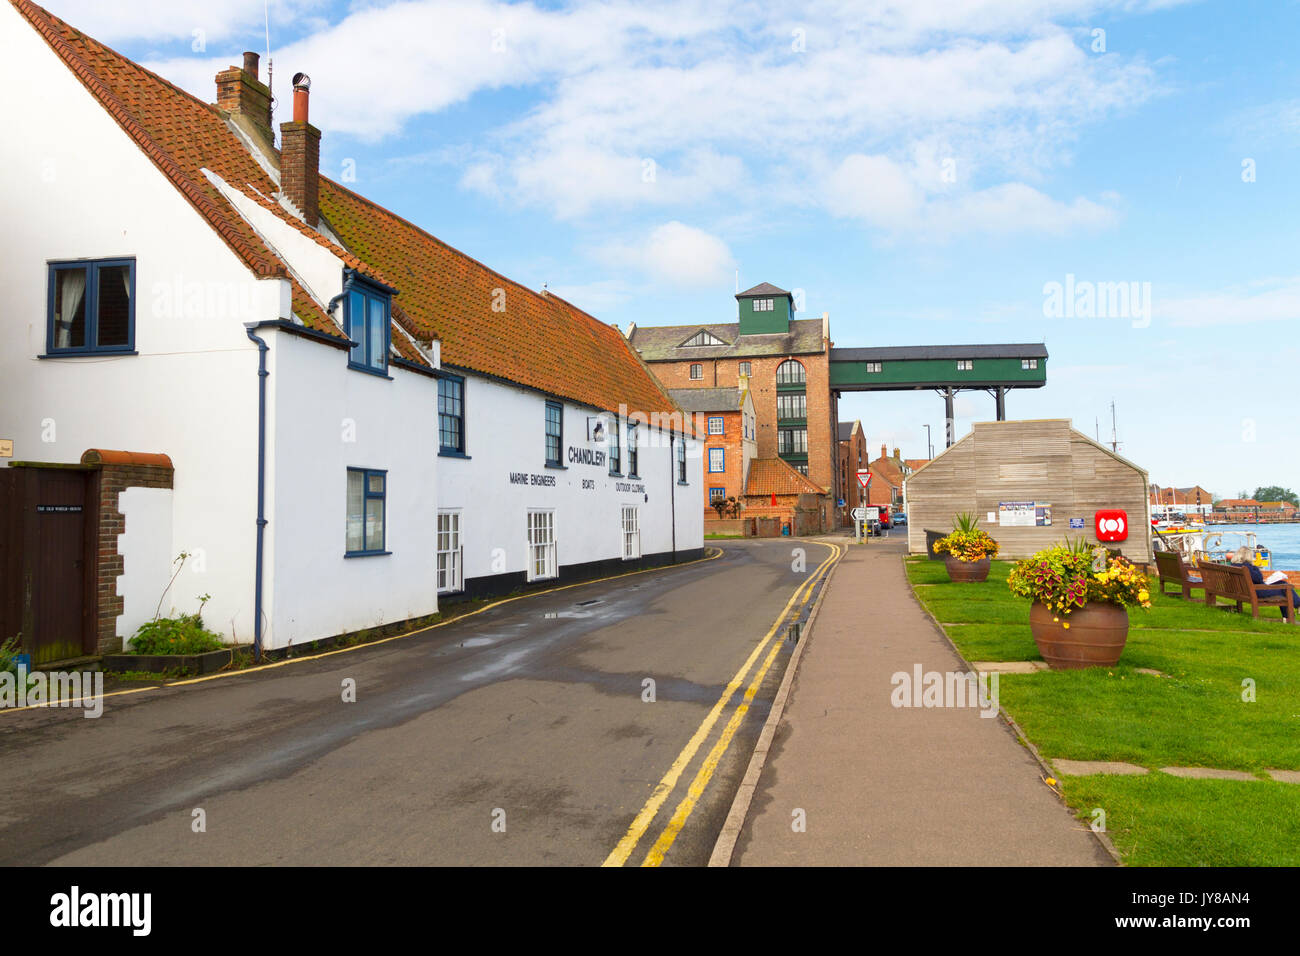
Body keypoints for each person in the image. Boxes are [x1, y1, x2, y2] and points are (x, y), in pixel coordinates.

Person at [1231, 547, 1300, 621]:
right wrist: (1255, 567)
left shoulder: (1234, 565)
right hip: (1256, 592)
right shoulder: (1247, 567)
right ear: (1248, 556)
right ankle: (1294, 610)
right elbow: (1258, 578)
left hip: (1246, 591)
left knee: (1283, 583)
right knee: (1285, 588)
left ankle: (1290, 614)